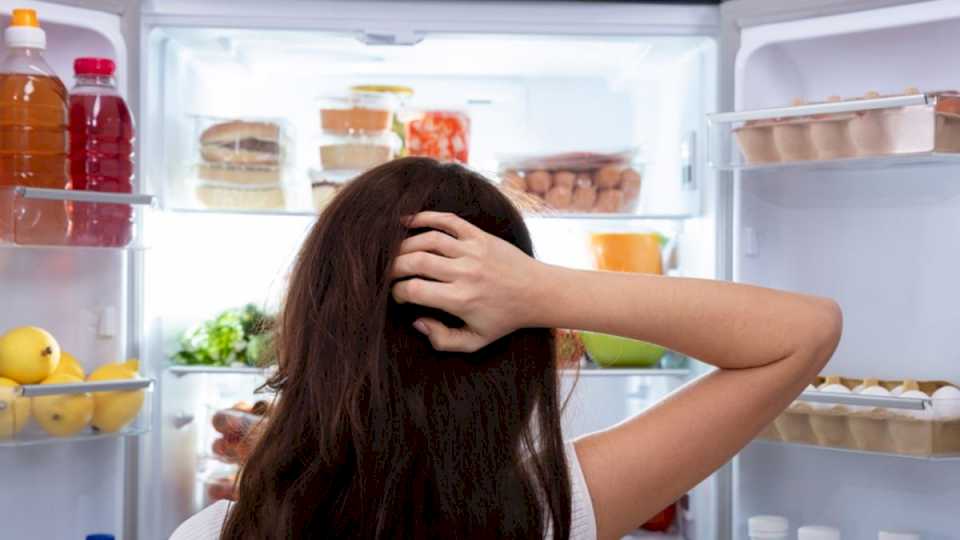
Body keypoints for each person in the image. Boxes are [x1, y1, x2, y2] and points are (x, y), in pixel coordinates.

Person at [171, 157, 841, 540]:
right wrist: (541, 290)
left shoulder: (212, 534)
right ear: (519, 352)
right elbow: (804, 331)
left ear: (315, 326)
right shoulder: (548, 509)